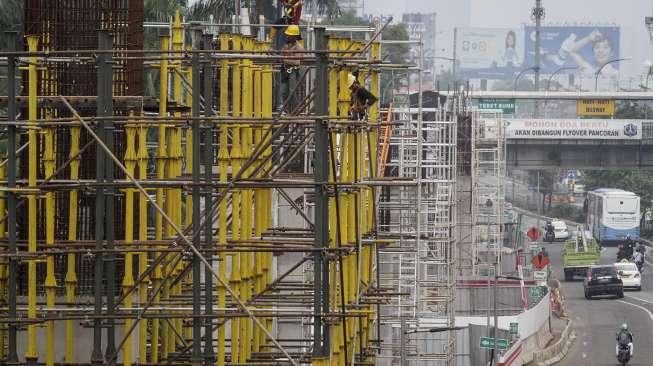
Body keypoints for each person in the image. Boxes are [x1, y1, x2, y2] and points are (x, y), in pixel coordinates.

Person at [277, 24, 305, 113]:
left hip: (294, 72)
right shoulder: (286, 45)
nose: (287, 36)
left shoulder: (299, 47)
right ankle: (287, 111)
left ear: (295, 36)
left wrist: (284, 60)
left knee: (293, 92)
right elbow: (281, 56)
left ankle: (296, 112)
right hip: (285, 71)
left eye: (289, 35)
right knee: (284, 92)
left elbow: (297, 62)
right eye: (288, 34)